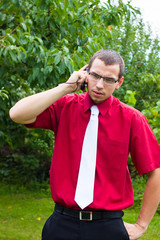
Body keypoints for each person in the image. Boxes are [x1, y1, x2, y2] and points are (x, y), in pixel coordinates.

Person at [9, 49, 160, 240]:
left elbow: (155, 171)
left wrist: (141, 225)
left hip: (108, 227)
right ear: (85, 73)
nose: (99, 85)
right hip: (61, 224)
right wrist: (65, 87)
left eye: (108, 79)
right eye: (95, 75)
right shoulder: (65, 106)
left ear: (119, 83)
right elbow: (17, 114)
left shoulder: (132, 119)